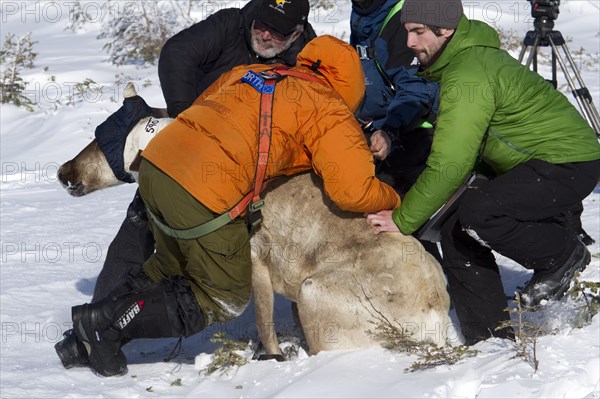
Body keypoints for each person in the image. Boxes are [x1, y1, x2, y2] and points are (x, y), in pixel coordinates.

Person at [56, 35, 401, 377]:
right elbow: (352, 191)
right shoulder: (329, 108)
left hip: (158, 165)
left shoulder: (254, 72)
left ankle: (82, 338)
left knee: (167, 264)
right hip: (203, 191)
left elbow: (203, 108)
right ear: (352, 85)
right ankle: (104, 327)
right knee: (223, 296)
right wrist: (394, 199)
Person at [366, 0, 600, 345]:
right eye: (407, 32)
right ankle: (490, 336)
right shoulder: (460, 64)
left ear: (445, 31)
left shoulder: (468, 73)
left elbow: (450, 164)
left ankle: (562, 255)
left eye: (418, 32)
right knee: (455, 226)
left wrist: (401, 220)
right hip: (531, 164)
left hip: (569, 161)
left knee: (480, 211)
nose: (410, 43)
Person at [91, 0, 316, 304]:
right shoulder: (231, 25)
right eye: (261, 24)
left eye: (275, 31)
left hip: (246, 174)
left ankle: (172, 308)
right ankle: (103, 313)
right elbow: (177, 54)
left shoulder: (306, 61)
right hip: (188, 154)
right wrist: (186, 119)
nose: (263, 34)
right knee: (141, 223)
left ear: (296, 33)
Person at [350, 0, 441, 260]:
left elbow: (417, 88)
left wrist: (390, 130)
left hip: (412, 131)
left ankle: (422, 286)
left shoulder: (403, 19)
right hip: (377, 128)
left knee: (393, 215)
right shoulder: (365, 13)